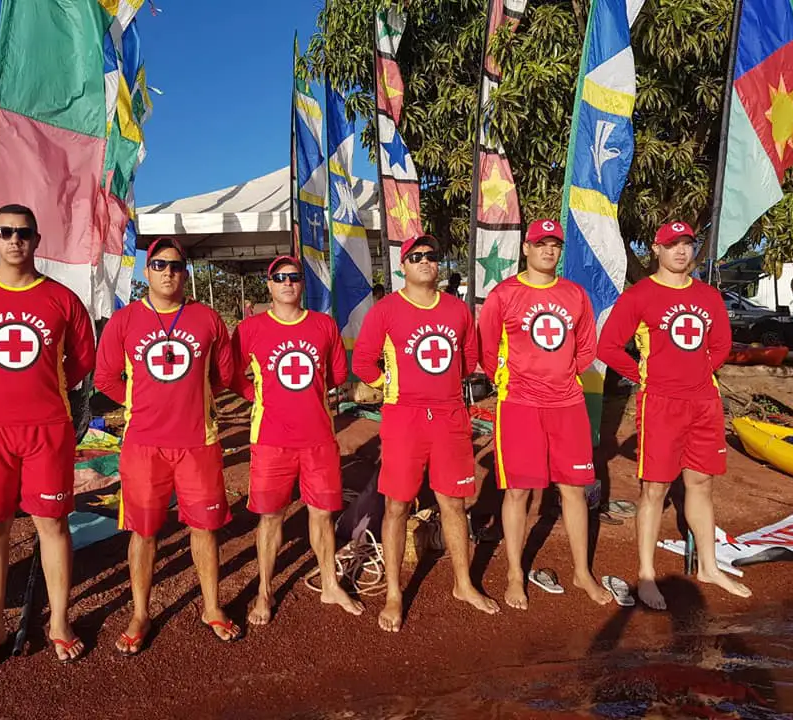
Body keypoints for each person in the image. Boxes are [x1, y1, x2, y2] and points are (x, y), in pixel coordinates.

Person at [0, 204, 96, 674]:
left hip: (48, 428)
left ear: (36, 240)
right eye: (5, 231)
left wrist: (43, 388)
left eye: (23, 232)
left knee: (53, 524)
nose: (14, 240)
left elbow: (81, 360)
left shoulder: (62, 300)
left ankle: (60, 622)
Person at [95, 237, 240, 654]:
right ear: (146, 271)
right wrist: (139, 401)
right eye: (159, 265)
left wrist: (196, 400)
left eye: (175, 265)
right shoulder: (124, 322)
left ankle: (212, 606)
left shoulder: (208, 319)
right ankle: (141, 613)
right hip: (144, 445)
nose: (168, 272)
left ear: (186, 271)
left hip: (198, 442)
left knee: (205, 529)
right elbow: (106, 377)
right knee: (143, 532)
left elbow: (223, 375)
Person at [597, 221, 752, 610]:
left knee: (701, 484)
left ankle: (709, 567)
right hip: (661, 405)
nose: (681, 251)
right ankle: (647, 575)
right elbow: (609, 346)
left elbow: (720, 344)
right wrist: (643, 374)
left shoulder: (708, 296)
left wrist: (699, 372)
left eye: (686, 244)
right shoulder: (640, 295)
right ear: (656, 250)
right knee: (655, 489)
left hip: (703, 403)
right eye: (672, 245)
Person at [352, 234, 498, 632]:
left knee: (454, 503)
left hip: (450, 416)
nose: (425, 261)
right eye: (416, 256)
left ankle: (463, 584)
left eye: (431, 255)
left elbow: (468, 360)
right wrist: (392, 387)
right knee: (397, 505)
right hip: (405, 420)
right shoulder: (386, 310)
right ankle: (395, 594)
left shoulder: (456, 310)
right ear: (403, 266)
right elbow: (363, 361)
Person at [478, 219, 613, 611]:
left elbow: (587, 345)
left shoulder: (574, 294)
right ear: (526, 248)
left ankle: (581, 572)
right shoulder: (504, 294)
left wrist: (564, 373)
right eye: (540, 244)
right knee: (518, 490)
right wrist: (509, 378)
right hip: (519, 404)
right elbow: (488, 349)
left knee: (574, 489)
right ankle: (515, 573)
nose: (548, 251)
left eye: (554, 245)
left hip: (567, 404)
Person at [231, 256, 365, 625]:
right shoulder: (251, 329)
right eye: (280, 277)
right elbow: (230, 374)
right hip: (271, 441)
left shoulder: (323, 326)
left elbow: (336, 374)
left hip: (318, 439)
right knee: (270, 518)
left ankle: (329, 584)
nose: (287, 283)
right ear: (269, 285)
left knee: (322, 515)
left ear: (302, 284)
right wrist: (257, 395)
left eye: (294, 277)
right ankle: (264, 591)